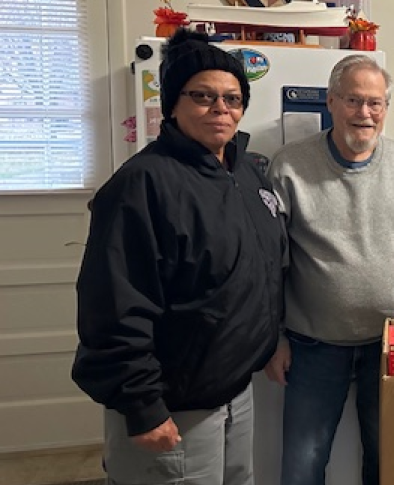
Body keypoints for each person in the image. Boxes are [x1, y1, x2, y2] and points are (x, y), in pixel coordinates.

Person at [72, 29, 287, 485]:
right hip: (172, 403)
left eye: (232, 98)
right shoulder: (142, 184)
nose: (220, 108)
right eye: (203, 96)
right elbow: (113, 305)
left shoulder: (246, 173)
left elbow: (263, 271)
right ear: (173, 103)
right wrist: (142, 406)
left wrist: (271, 340)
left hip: (233, 392)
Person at [264, 54, 394, 485]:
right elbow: (270, 264)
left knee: (390, 459)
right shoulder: (289, 166)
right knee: (302, 466)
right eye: (354, 100)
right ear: (331, 102)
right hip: (312, 346)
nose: (365, 113)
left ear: (386, 109)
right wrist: (273, 336)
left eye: (375, 103)